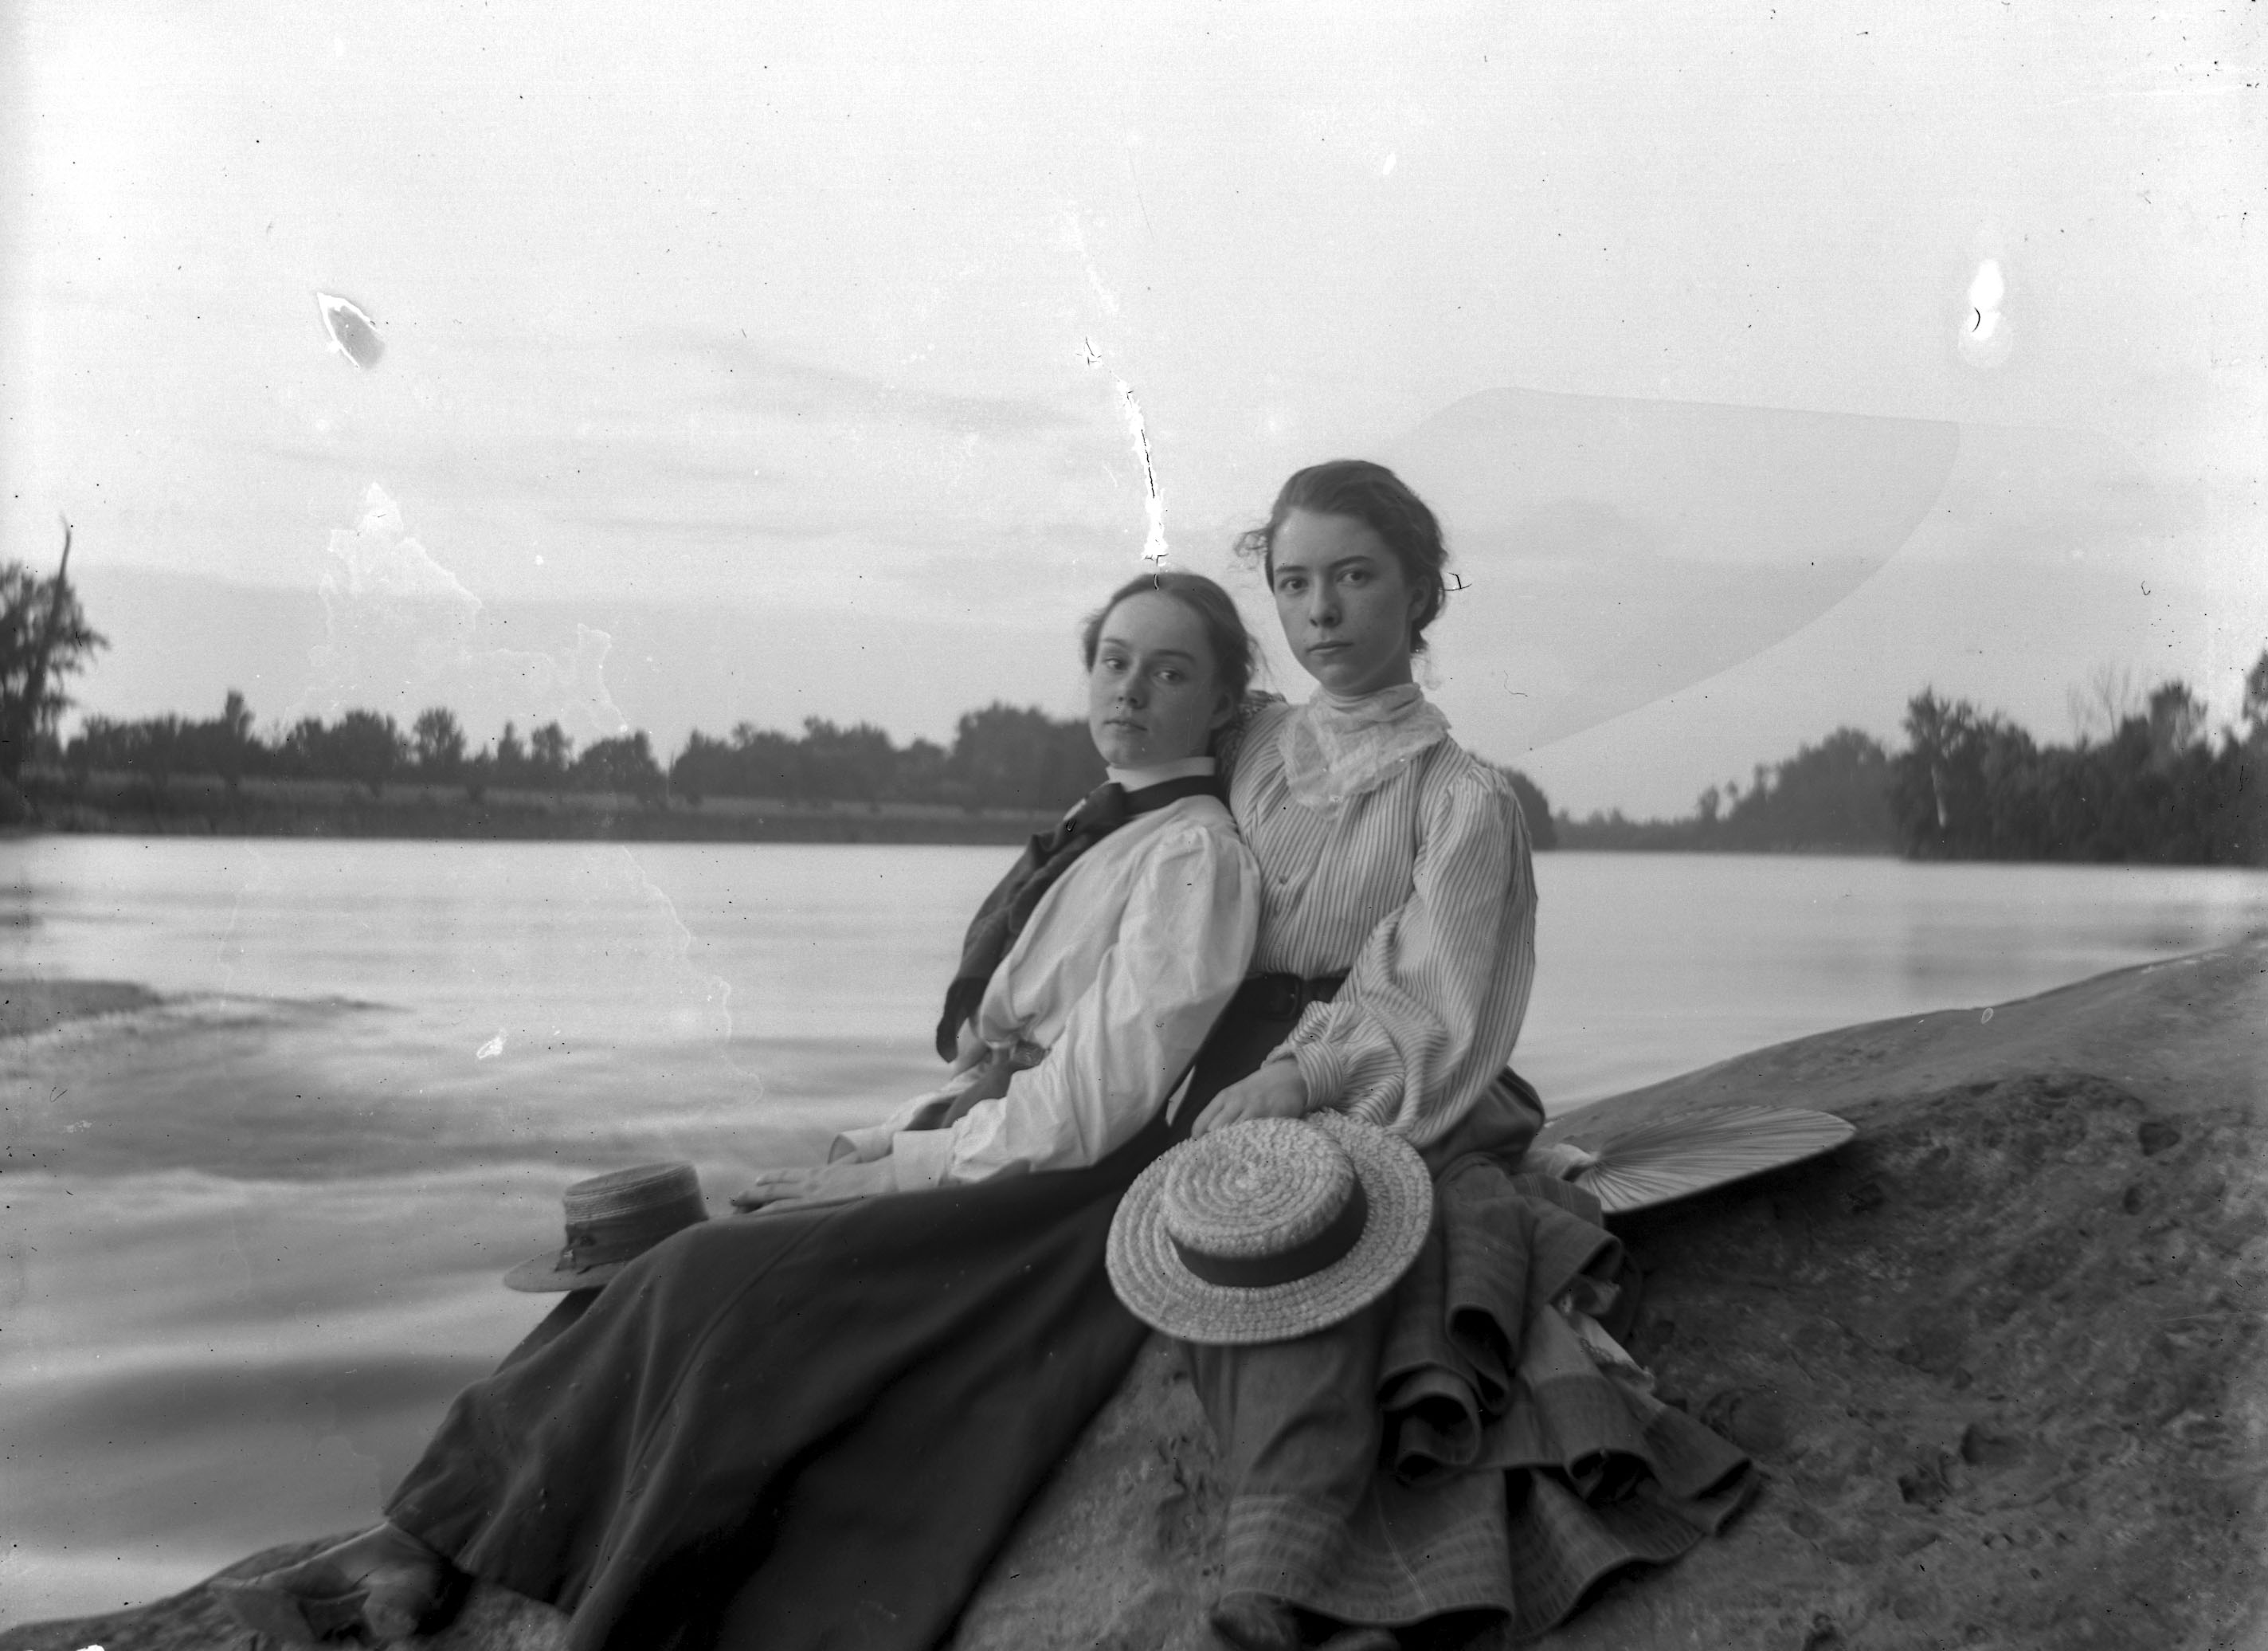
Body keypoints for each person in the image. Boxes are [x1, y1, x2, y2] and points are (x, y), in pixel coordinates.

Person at [217, 571, 1267, 1651]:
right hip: (996, 1150)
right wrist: (875, 1142)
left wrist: (882, 1176)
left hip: (1056, 1202)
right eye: (1115, 660)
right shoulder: (1096, 829)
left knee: (703, 1277)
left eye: (1171, 671)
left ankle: (448, 1555)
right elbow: (1005, 1062)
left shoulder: (1193, 855)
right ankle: (414, 1546)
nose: (1132, 689)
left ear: (1224, 704)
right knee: (647, 1268)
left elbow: (1091, 1102)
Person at [1175, 460, 1751, 1651]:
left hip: (1409, 1080)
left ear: (1420, 594)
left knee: (1329, 1252)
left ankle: (1291, 1585)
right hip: (1228, 1077)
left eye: (1353, 577)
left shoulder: (1462, 798)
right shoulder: (1250, 748)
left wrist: (1307, 1076)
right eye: (1293, 584)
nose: (1321, 612)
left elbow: (1441, 999)